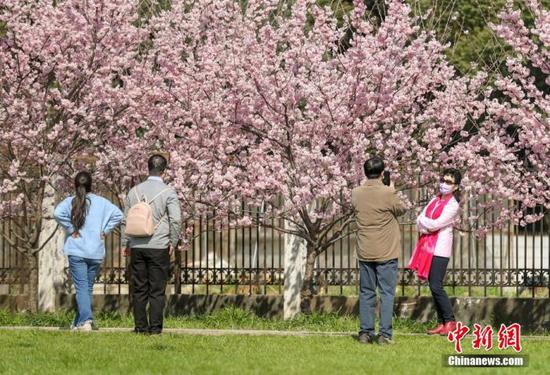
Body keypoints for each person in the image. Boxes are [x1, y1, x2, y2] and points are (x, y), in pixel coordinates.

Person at [54, 171, 123, 331]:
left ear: (75, 185)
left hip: (77, 250)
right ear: (91, 184)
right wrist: (105, 231)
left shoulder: (70, 201)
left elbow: (57, 213)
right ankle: (78, 322)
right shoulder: (102, 202)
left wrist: (71, 229)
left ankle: (86, 320)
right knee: (87, 288)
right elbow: (119, 215)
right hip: (96, 252)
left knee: (82, 288)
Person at [122, 154, 182, 335]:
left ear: (148, 168)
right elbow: (176, 219)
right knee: (157, 289)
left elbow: (125, 220)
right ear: (164, 171)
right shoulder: (168, 192)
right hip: (159, 245)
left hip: (137, 246)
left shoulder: (134, 191)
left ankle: (140, 327)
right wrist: (173, 241)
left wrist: (126, 243)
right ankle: (155, 328)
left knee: (139, 288)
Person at [351, 156, 407, 345]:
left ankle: (365, 333)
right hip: (386, 251)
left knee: (366, 292)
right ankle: (384, 334)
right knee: (386, 293)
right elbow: (402, 209)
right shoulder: (387, 193)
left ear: (365, 172)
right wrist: (390, 188)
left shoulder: (356, 193)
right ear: (382, 173)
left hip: (365, 249)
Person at [409, 168, 461, 336]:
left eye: (449, 182)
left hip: (440, 250)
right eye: (443, 180)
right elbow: (418, 221)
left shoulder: (453, 205)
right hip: (428, 248)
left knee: (436, 286)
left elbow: (435, 224)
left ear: (455, 187)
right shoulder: (434, 200)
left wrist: (425, 222)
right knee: (433, 287)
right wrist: (424, 222)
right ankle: (442, 323)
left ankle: (450, 321)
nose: (444, 184)